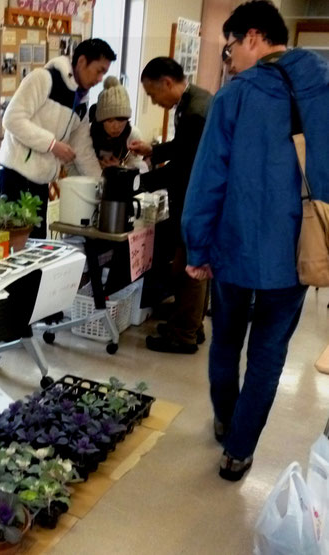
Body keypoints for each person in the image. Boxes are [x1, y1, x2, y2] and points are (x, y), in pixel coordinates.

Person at [181, 0, 329, 481]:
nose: (230, 61)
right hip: (297, 253)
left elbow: (208, 181)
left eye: (229, 50)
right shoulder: (323, 88)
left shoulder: (234, 97)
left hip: (236, 250)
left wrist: (197, 248)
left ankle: (227, 420)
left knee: (226, 342)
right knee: (269, 355)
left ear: (251, 37)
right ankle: (239, 453)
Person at [129, 57, 212, 354]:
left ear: (167, 82)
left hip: (197, 198)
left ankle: (183, 335)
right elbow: (183, 147)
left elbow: (184, 165)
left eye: (152, 94)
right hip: (196, 195)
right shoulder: (195, 101)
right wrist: (154, 150)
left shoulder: (194, 112)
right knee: (187, 263)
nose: (153, 101)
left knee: (190, 267)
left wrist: (139, 183)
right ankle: (190, 325)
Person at [0, 38, 116, 238]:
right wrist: (51, 144)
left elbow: (82, 150)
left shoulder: (82, 101)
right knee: (16, 247)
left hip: (41, 180)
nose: (100, 78)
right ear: (81, 62)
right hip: (15, 174)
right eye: (99, 70)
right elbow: (11, 119)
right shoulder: (44, 79)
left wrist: (101, 184)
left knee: (36, 246)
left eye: (105, 72)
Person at [90, 76, 144, 170]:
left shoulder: (133, 135)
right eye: (110, 120)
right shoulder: (87, 132)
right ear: (101, 120)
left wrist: (120, 168)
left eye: (121, 120)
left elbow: (137, 168)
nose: (116, 126)